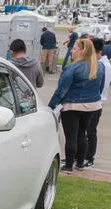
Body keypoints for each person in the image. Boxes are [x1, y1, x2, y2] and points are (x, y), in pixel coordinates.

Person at [48, 39, 105, 174]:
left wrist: (50, 106)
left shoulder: (72, 68)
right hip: (92, 106)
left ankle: (68, 165)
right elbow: (101, 87)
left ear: (82, 51)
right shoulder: (100, 66)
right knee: (82, 134)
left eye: (74, 48)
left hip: (72, 106)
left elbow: (61, 90)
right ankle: (80, 163)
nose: (71, 51)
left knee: (71, 136)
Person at [85, 38, 111, 168]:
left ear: (99, 52)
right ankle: (82, 155)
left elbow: (103, 86)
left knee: (91, 132)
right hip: (89, 101)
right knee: (84, 131)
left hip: (97, 102)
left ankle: (89, 158)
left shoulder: (105, 66)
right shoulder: (94, 63)